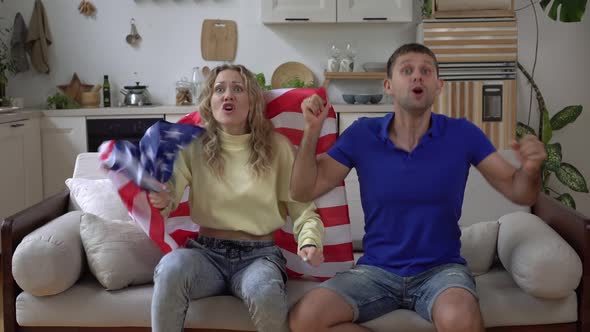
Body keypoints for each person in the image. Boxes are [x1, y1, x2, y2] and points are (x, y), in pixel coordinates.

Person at [288, 43, 547, 332]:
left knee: (460, 321)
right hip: (374, 271)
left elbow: (520, 191)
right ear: (388, 85)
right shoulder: (362, 134)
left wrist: (529, 170)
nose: (417, 77)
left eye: (426, 71)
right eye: (407, 70)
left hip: (442, 271)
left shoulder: (463, 134)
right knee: (304, 319)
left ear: (438, 86)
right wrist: (311, 132)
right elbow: (303, 190)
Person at [148, 64, 325, 332]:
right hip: (206, 254)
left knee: (265, 290)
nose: (227, 95)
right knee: (170, 268)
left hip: (260, 257)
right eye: (219, 89)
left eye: (237, 89)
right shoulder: (193, 145)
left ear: (252, 101)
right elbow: (169, 194)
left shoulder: (278, 147)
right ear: (210, 101)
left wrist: (310, 241)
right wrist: (162, 199)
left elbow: (302, 209)